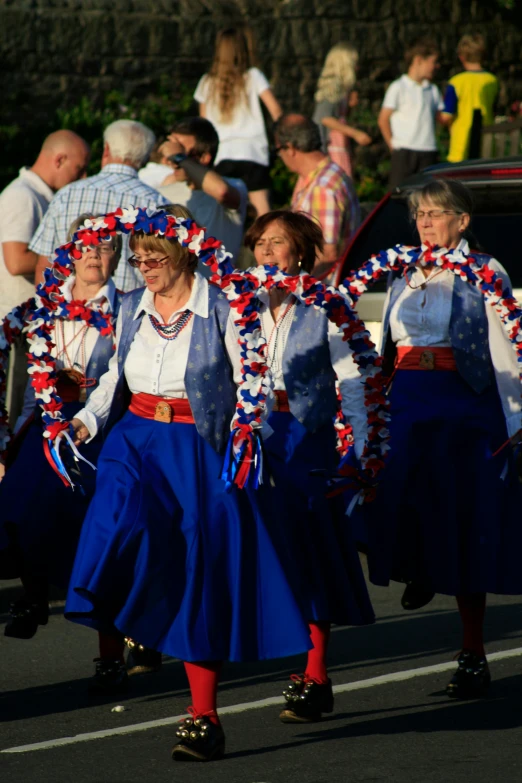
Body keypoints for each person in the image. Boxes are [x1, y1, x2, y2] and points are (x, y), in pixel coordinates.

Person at [63, 209, 313, 761]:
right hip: (134, 439)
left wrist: (249, 430)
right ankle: (139, 622)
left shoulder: (221, 305)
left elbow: (254, 377)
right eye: (138, 257)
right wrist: (88, 419)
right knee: (112, 529)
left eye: (155, 257)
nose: (143, 266)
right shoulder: (130, 307)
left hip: (197, 448)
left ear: (184, 255)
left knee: (200, 572)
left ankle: (203, 716)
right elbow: (113, 374)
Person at [360, 179, 522, 698]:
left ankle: (472, 651)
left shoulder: (485, 269)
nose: (426, 222)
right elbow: (386, 343)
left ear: (462, 222)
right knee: (394, 491)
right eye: (420, 215)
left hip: (462, 401)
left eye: (435, 214)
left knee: (464, 520)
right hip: (407, 394)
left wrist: (515, 423)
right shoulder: (405, 270)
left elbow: (504, 351)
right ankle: (419, 567)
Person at [244, 209, 374, 723]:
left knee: (311, 550)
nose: (267, 251)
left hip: (307, 437)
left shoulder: (326, 304)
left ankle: (316, 674)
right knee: (264, 549)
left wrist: (361, 447)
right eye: (260, 242)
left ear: (300, 251)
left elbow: (352, 379)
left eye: (278, 243)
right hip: (256, 436)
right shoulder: (241, 301)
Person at [0, 215, 130, 692]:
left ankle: (111, 652)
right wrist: (14, 433)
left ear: (117, 257)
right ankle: (34, 595)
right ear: (69, 254)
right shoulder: (42, 308)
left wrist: (86, 420)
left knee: (102, 535)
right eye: (88, 248)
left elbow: (117, 378)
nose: (96, 256)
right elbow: (30, 379)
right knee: (17, 503)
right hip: (48, 423)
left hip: (102, 424)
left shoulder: (127, 309)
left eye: (106, 248)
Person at [0, 131, 90, 424]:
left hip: (26, 322)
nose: (83, 176)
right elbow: (14, 261)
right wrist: (67, 260)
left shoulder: (38, 195)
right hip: (12, 325)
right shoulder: (22, 196)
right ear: (60, 159)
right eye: (79, 168)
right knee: (12, 411)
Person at [29, 120, 168, 292]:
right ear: (145, 157)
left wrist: (47, 310)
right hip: (131, 311)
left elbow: (46, 264)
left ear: (107, 149)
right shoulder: (157, 204)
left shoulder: (67, 195)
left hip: (71, 311)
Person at [194, 26, 282, 217]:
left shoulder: (206, 82)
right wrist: (281, 140)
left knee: (224, 214)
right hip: (253, 154)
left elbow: (203, 126)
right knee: (263, 213)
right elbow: (276, 111)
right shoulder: (254, 76)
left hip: (222, 155)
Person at [275, 114, 360, 281]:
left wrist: (298, 291)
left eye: (278, 151)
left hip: (321, 293)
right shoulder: (331, 174)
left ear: (290, 148)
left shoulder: (322, 187)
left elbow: (326, 254)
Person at [157, 117, 248, 267]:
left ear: (205, 157)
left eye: (181, 152)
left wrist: (180, 157)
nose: (173, 161)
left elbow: (222, 192)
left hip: (219, 288)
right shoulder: (163, 194)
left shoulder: (235, 186)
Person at [378, 39, 443, 188]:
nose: (436, 67)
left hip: (428, 150)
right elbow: (383, 119)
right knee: (399, 194)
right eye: (433, 62)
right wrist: (393, 146)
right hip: (404, 151)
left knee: (427, 195)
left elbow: (440, 118)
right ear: (419, 60)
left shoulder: (433, 90)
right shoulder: (398, 87)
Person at [313, 43, 372, 178]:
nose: (357, 68)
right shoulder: (332, 88)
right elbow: (326, 118)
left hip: (339, 145)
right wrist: (355, 133)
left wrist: (349, 106)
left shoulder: (343, 90)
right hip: (330, 148)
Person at [441, 33, 499, 162]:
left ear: (462, 57)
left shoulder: (456, 82)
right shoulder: (492, 80)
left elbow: (446, 116)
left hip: (462, 144)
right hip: (487, 142)